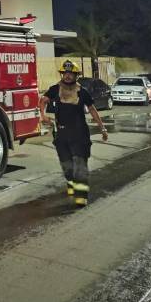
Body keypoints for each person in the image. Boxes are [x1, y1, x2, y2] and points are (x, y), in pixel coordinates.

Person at [40, 59, 108, 207]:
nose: (68, 76)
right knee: (67, 166)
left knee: (80, 165)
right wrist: (43, 115)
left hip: (79, 135)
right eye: (65, 73)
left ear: (76, 75)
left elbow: (92, 110)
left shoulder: (82, 92)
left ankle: (81, 196)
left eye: (71, 73)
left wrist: (102, 128)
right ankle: (71, 183)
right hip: (61, 135)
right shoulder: (54, 89)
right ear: (62, 74)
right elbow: (43, 100)